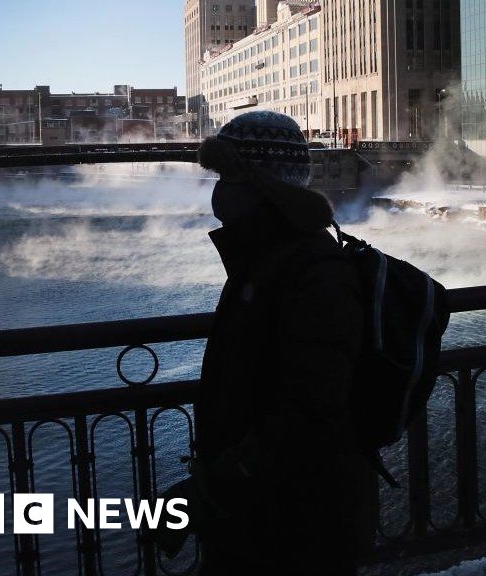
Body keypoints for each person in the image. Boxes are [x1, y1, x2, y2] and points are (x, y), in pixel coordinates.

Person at [194, 112, 373, 575]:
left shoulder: (313, 271)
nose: (218, 191)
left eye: (228, 176)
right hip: (264, 513)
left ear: (262, 187)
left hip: (296, 523)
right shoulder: (265, 258)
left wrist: (218, 484)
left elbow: (312, 408)